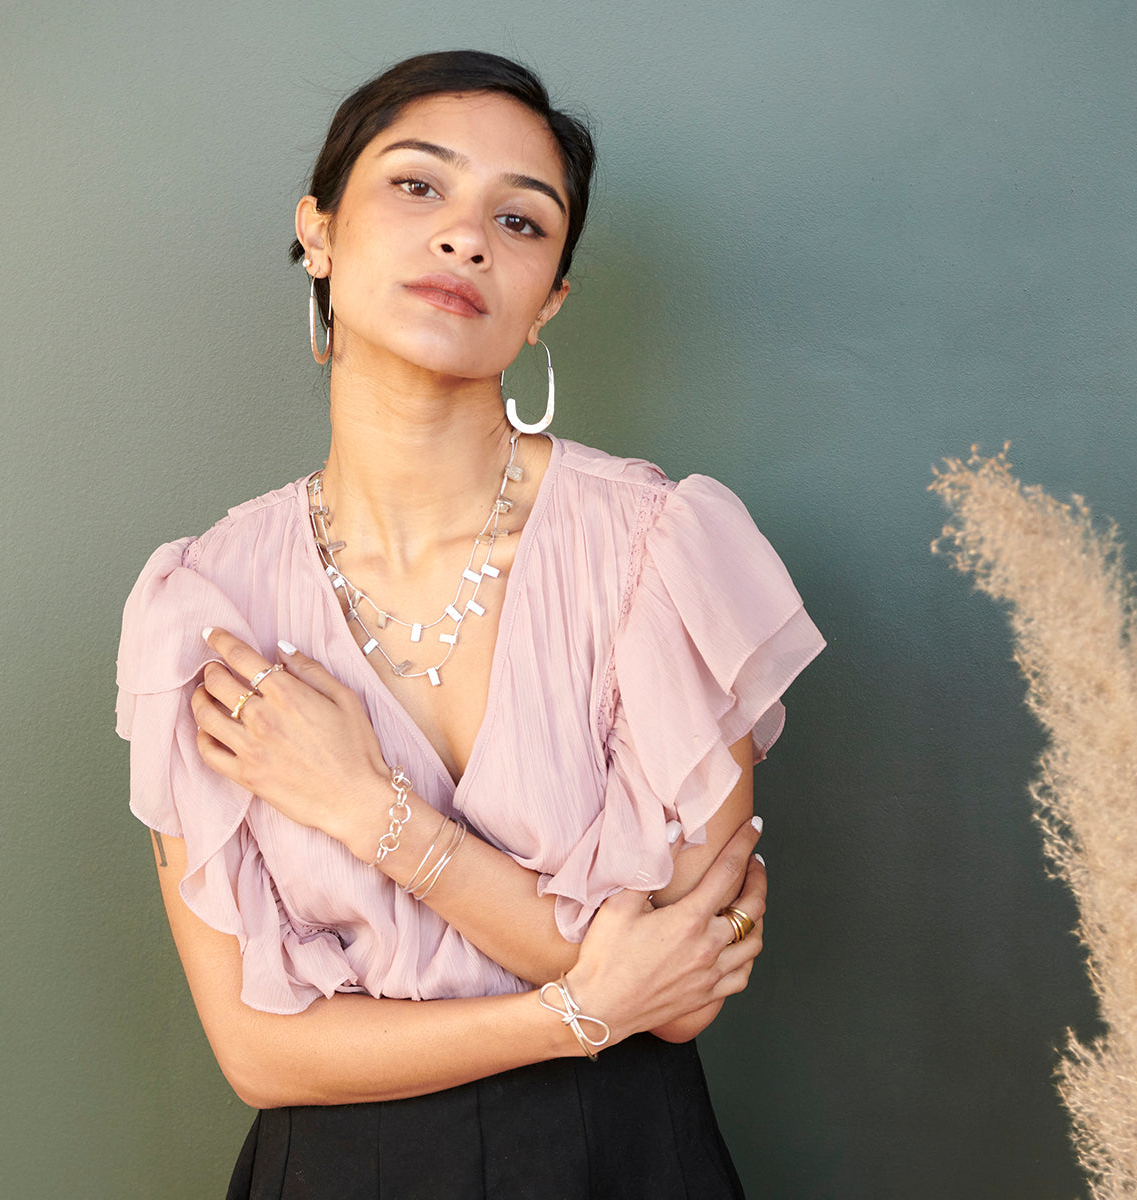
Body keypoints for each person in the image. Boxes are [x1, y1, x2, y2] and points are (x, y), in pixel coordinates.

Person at [116, 49, 824, 1199]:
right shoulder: (204, 609)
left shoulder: (660, 551)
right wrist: (582, 1006)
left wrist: (369, 812)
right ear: (319, 232)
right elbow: (258, 1051)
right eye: (416, 187)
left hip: (630, 1161)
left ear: (547, 301)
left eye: (521, 219)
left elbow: (685, 990)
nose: (467, 238)